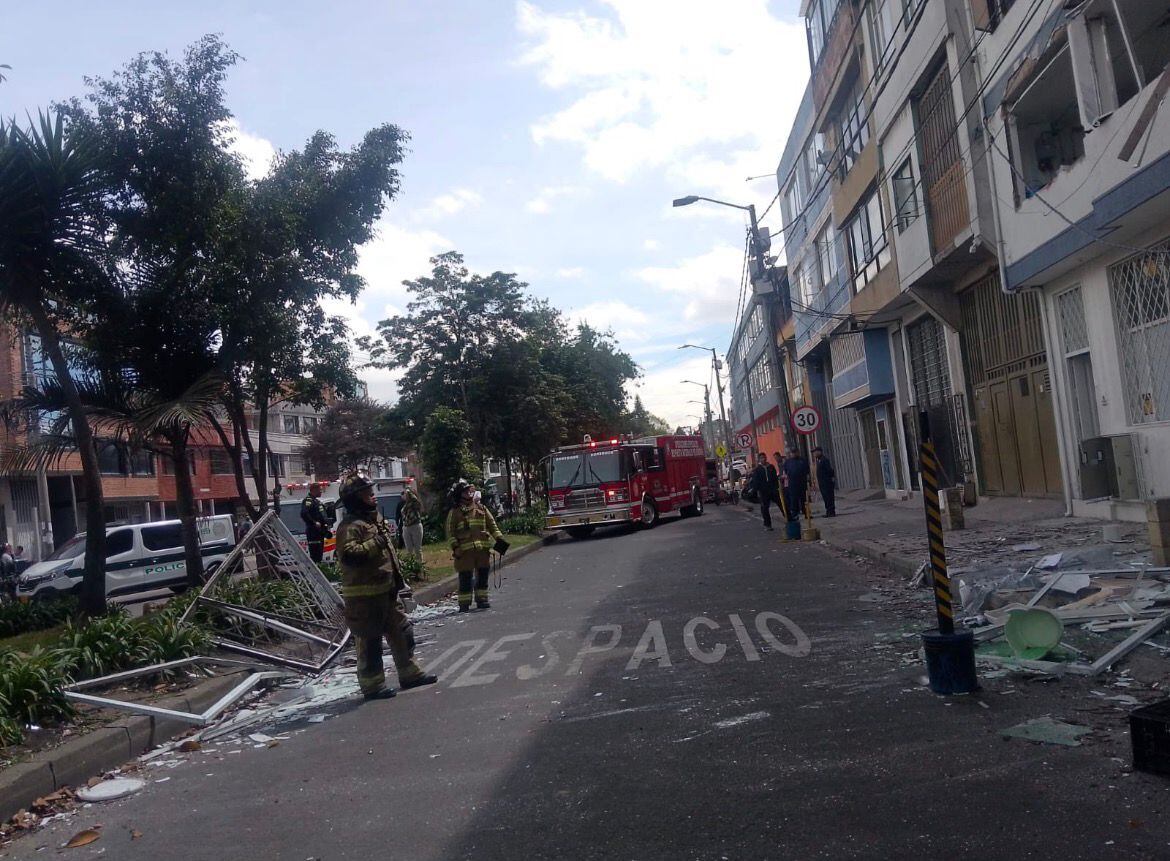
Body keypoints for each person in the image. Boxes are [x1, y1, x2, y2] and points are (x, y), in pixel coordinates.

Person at [335, 474, 437, 700]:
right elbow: (349, 555)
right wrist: (376, 542)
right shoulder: (349, 526)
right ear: (354, 499)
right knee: (370, 642)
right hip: (364, 598)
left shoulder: (373, 520)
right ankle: (372, 686)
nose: (372, 496)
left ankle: (410, 674)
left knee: (403, 632)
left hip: (386, 591)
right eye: (366, 493)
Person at [445, 479, 508, 612]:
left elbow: (492, 526)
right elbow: (450, 533)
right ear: (460, 494)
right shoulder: (455, 512)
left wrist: (500, 540)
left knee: (483, 575)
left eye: (470, 491)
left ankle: (482, 599)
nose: (469, 493)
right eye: (466, 491)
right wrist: (455, 547)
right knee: (465, 577)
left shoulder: (481, 508)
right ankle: (464, 603)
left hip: (482, 551)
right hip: (464, 553)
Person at [300, 482, 332, 564]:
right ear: (314, 490)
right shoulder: (308, 501)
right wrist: (314, 523)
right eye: (319, 490)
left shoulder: (317, 502)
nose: (321, 492)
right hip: (313, 533)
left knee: (319, 556)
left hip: (320, 533)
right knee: (315, 557)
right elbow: (304, 514)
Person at [781, 446, 810, 523]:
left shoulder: (803, 460)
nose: (794, 454)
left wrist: (808, 480)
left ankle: (806, 513)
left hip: (802, 482)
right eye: (792, 452)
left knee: (804, 499)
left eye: (795, 452)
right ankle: (795, 514)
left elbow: (807, 471)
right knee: (794, 500)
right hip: (792, 483)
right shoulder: (788, 462)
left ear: (798, 452)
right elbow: (785, 472)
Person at [395, 484, 424, 560]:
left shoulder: (414, 503)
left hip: (415, 525)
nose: (405, 495)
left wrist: (410, 492)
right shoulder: (403, 504)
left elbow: (417, 503)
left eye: (406, 493)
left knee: (417, 549)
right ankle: (411, 564)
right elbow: (399, 514)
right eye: (404, 493)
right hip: (406, 527)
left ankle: (420, 564)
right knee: (409, 550)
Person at [748, 453, 774, 531]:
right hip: (763, 492)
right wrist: (754, 490)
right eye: (761, 458)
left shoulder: (771, 467)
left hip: (772, 490)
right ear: (759, 459)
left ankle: (789, 520)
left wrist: (776, 487)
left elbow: (775, 478)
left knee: (782, 504)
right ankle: (768, 525)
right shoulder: (758, 469)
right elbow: (756, 481)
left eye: (764, 457)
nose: (763, 459)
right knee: (764, 508)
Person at [812, 446, 837, 517]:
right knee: (825, 498)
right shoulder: (819, 460)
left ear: (819, 452)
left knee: (829, 497)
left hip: (826, 482)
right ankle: (828, 511)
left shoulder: (824, 460)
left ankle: (831, 512)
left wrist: (830, 479)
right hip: (822, 483)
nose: (814, 454)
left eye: (815, 452)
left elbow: (829, 470)